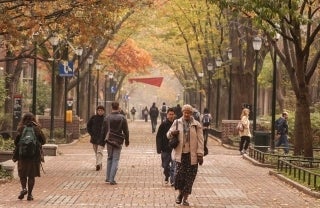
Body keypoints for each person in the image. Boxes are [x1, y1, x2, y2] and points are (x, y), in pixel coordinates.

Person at [167, 104, 204, 206]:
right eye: (185, 112)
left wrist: (200, 154)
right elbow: (168, 134)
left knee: (190, 177)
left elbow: (201, 140)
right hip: (180, 154)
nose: (186, 114)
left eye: (188, 112)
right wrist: (172, 133)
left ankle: (185, 198)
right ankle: (180, 194)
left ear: (191, 113)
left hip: (192, 155)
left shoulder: (197, 125)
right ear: (182, 112)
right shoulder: (177, 122)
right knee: (179, 176)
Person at [13, 112, 46, 201]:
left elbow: (16, 142)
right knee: (31, 176)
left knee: (22, 174)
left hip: (22, 156)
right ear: (33, 119)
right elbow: (43, 141)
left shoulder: (21, 128)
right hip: (34, 156)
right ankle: (30, 195)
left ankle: (24, 189)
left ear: (23, 119)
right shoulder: (37, 129)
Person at [101, 101, 129, 185]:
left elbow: (103, 130)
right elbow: (126, 130)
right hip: (118, 140)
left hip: (109, 140)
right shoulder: (122, 118)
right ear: (118, 107)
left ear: (111, 107)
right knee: (115, 159)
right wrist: (127, 140)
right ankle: (112, 179)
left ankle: (107, 177)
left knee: (109, 158)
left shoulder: (107, 117)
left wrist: (102, 141)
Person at [156, 107, 176, 186]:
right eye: (169, 114)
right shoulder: (163, 125)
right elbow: (158, 137)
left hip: (174, 148)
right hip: (165, 148)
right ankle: (167, 175)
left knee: (174, 165)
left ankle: (172, 180)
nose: (171, 116)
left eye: (172, 114)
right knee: (165, 165)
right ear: (167, 115)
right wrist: (159, 148)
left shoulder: (176, 124)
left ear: (174, 115)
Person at [87, 105, 105, 171]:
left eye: (101, 110)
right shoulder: (93, 118)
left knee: (99, 151)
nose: (100, 112)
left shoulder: (105, 119)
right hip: (94, 138)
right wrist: (91, 134)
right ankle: (99, 163)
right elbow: (88, 126)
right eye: (99, 110)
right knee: (96, 152)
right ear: (97, 111)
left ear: (104, 111)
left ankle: (98, 164)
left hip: (102, 138)